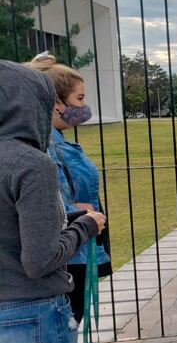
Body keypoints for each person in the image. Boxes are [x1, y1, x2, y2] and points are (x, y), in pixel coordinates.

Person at [0, 60, 106, 343]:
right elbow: (40, 259)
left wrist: (67, 217)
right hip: (32, 314)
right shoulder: (33, 164)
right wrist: (84, 226)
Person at [26, 52, 113, 325]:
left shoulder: (55, 140)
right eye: (79, 98)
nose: (84, 106)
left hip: (77, 247)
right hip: (67, 254)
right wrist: (78, 212)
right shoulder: (47, 145)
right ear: (56, 103)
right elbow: (48, 199)